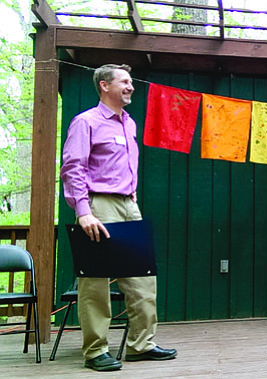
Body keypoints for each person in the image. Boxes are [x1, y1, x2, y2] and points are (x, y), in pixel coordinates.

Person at [60, 64, 177, 371]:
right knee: (95, 281)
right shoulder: (85, 122)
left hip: (129, 205)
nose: (131, 86)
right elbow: (74, 168)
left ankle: (141, 345)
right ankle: (96, 351)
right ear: (104, 86)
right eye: (124, 82)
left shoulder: (129, 124)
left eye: (130, 82)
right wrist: (83, 212)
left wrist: (131, 193)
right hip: (99, 206)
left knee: (143, 278)